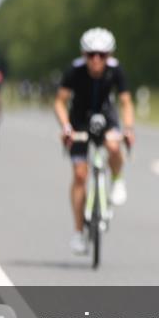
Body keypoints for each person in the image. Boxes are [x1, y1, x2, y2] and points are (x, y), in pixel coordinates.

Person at [53, 28, 135, 255]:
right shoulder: (75, 70)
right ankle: (79, 233)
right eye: (91, 55)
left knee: (112, 145)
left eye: (102, 54)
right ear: (83, 54)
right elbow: (60, 102)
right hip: (79, 120)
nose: (96, 60)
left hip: (106, 117)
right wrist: (66, 127)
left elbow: (126, 101)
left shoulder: (116, 70)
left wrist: (128, 128)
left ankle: (118, 180)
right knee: (80, 174)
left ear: (109, 55)